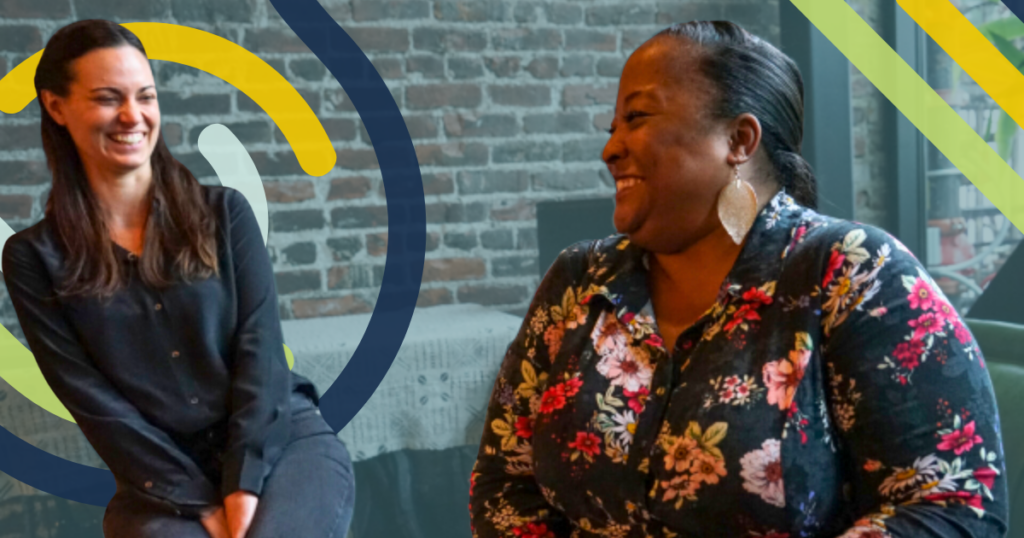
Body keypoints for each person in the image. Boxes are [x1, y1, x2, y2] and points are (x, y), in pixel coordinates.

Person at [469, 21, 1008, 538]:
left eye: (637, 118)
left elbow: (952, 502)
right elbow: (504, 480)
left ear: (739, 139)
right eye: (613, 127)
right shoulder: (580, 283)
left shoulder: (853, 274)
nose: (610, 149)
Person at [1, 20, 354, 538]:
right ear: (56, 107)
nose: (132, 115)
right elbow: (93, 403)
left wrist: (242, 487)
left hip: (277, 442)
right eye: (107, 98)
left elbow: (260, 350)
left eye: (145, 96)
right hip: (158, 478)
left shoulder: (225, 213)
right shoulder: (32, 258)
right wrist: (200, 505)